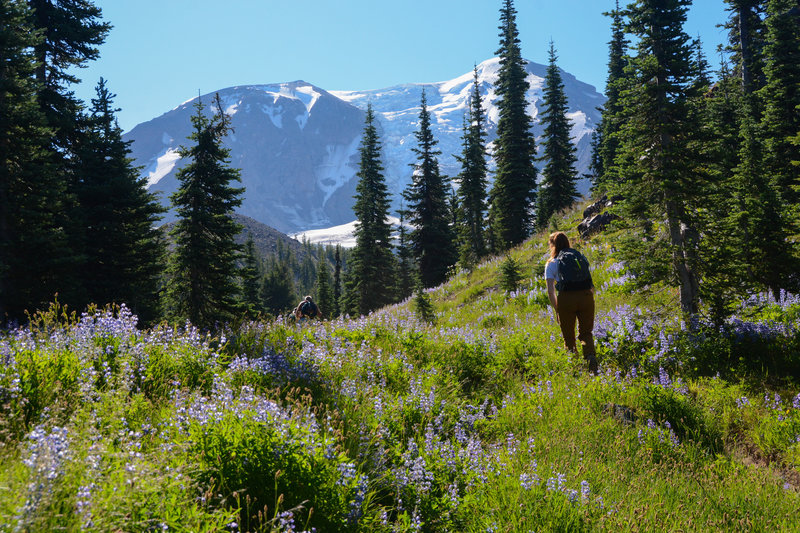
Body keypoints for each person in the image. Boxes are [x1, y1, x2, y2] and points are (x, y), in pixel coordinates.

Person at [544, 231, 598, 373]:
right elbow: (589, 282)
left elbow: (550, 291)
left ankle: (575, 366)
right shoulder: (577, 257)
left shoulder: (551, 263)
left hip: (566, 298)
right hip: (586, 296)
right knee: (586, 332)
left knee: (568, 335)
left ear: (553, 245)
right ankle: (590, 356)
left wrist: (557, 309)